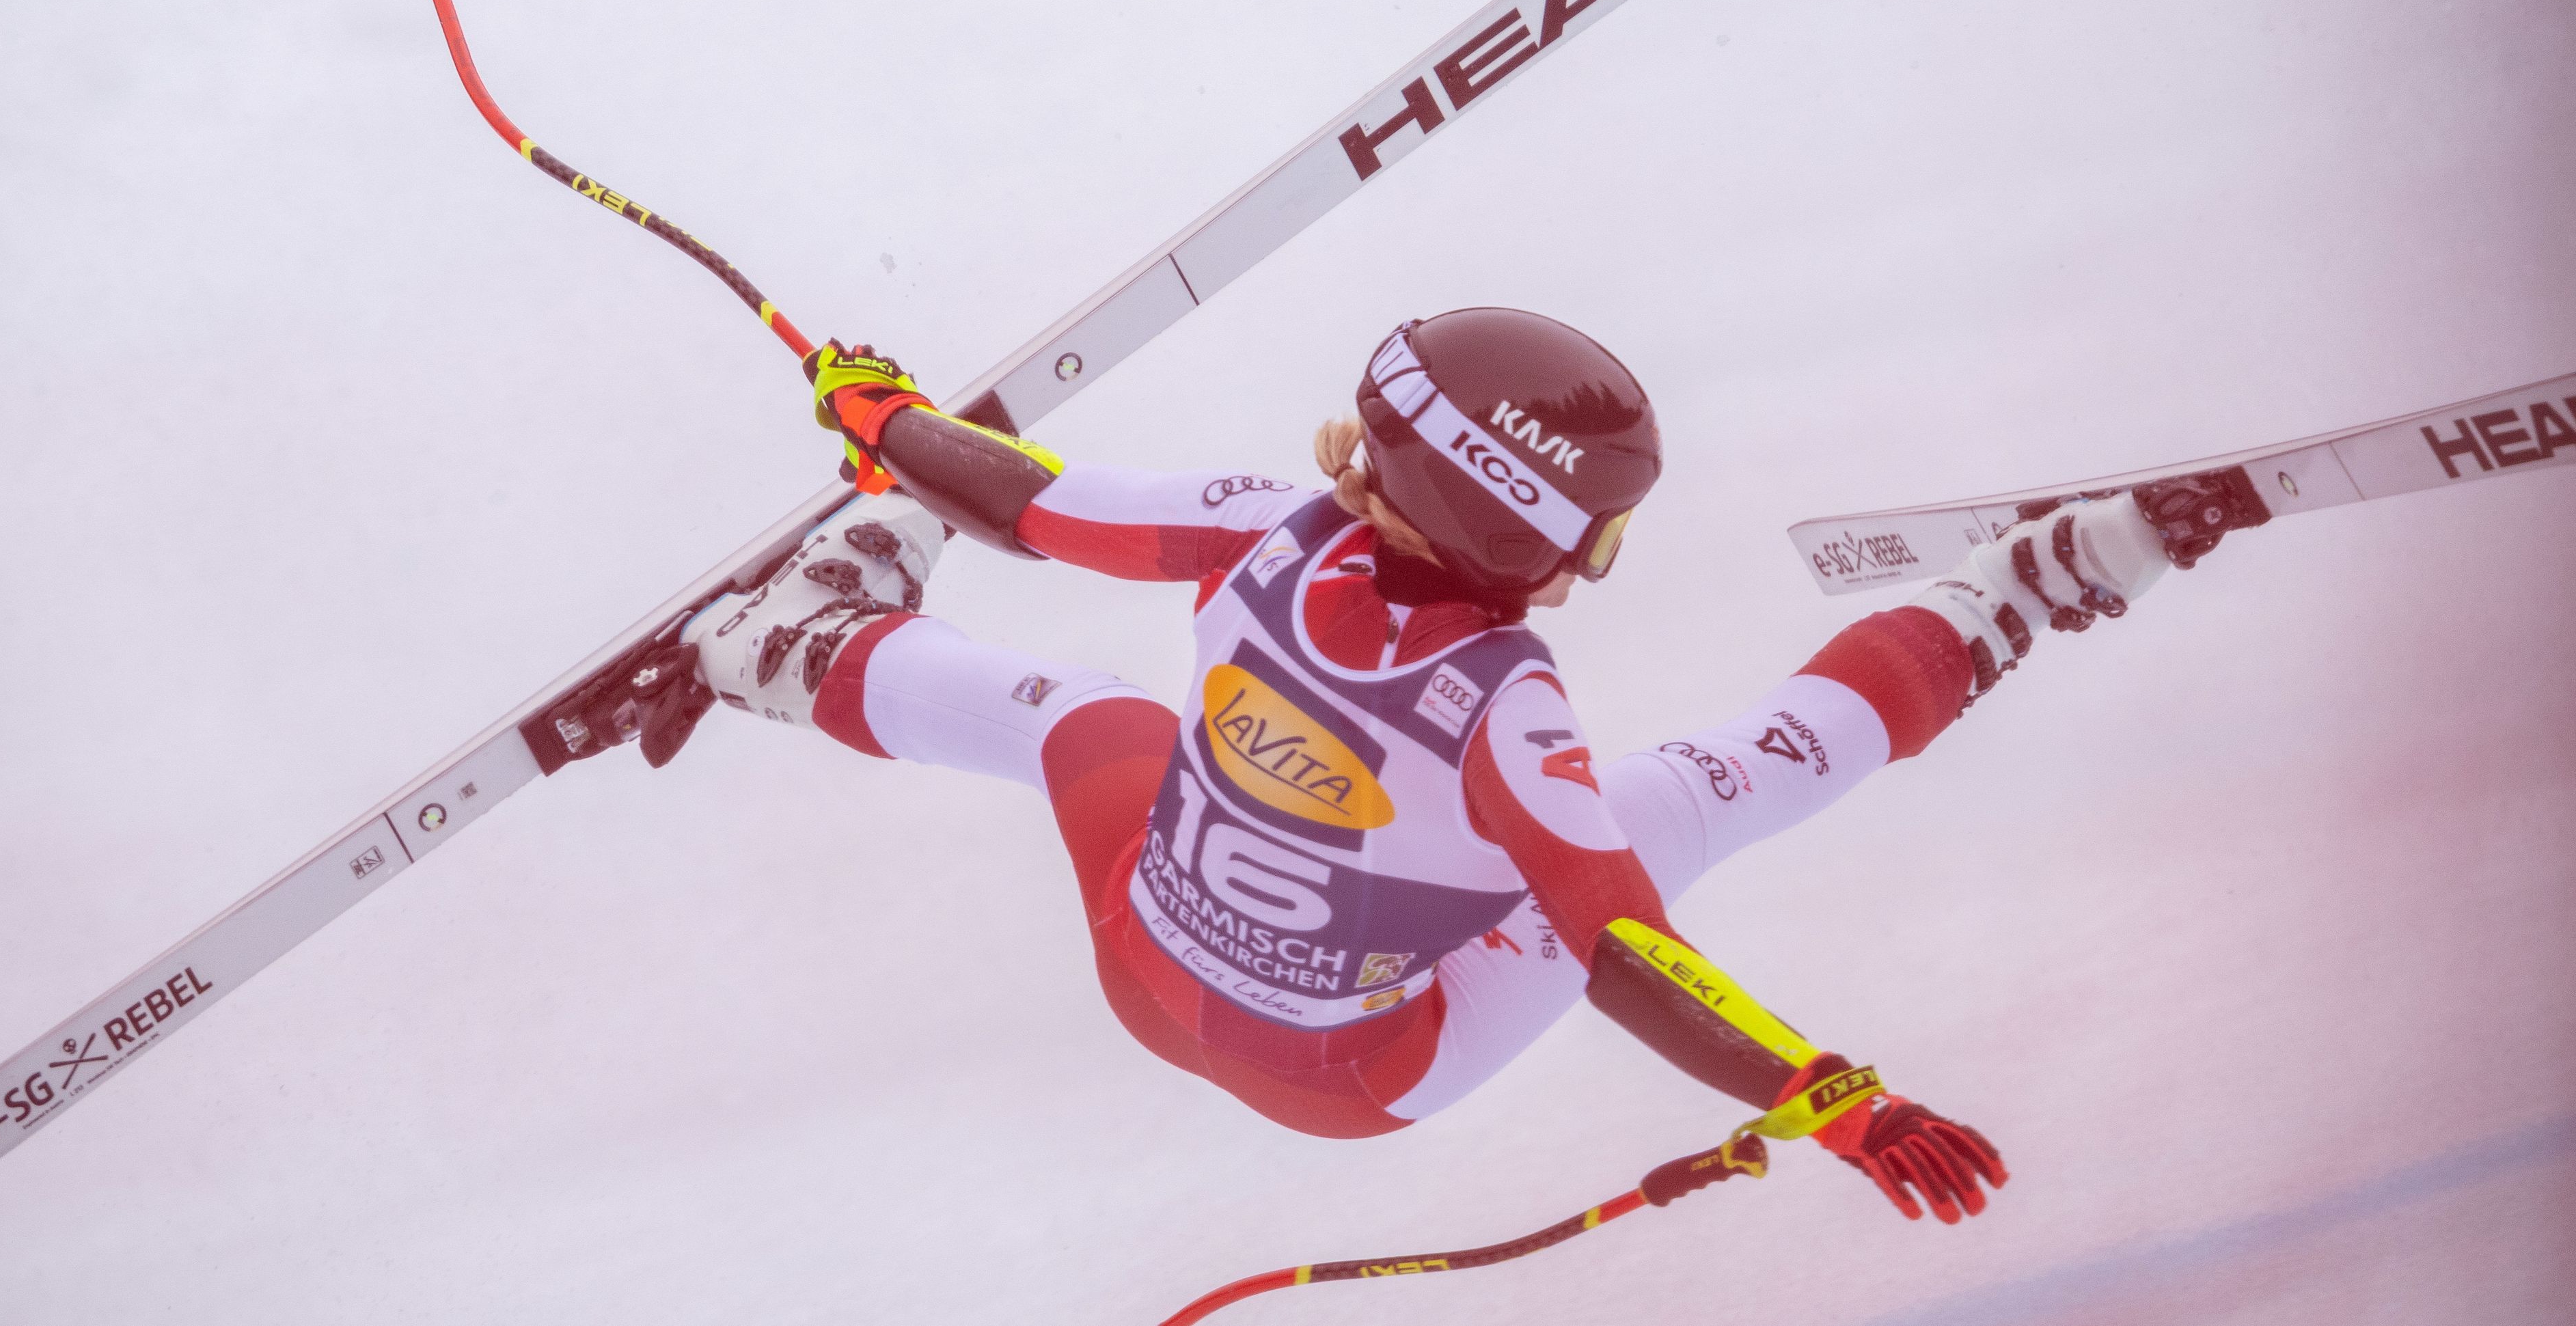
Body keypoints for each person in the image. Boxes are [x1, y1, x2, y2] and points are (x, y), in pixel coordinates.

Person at [666, 308, 2191, 1224]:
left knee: (1082, 715)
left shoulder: (1259, 520)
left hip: (1145, 962)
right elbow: (1621, 949)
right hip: (1349, 1076)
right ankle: (2015, 594)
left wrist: (876, 416)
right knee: (1681, 798)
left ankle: (780, 647)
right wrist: (1827, 1101)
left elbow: (1031, 502)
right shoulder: (1500, 707)